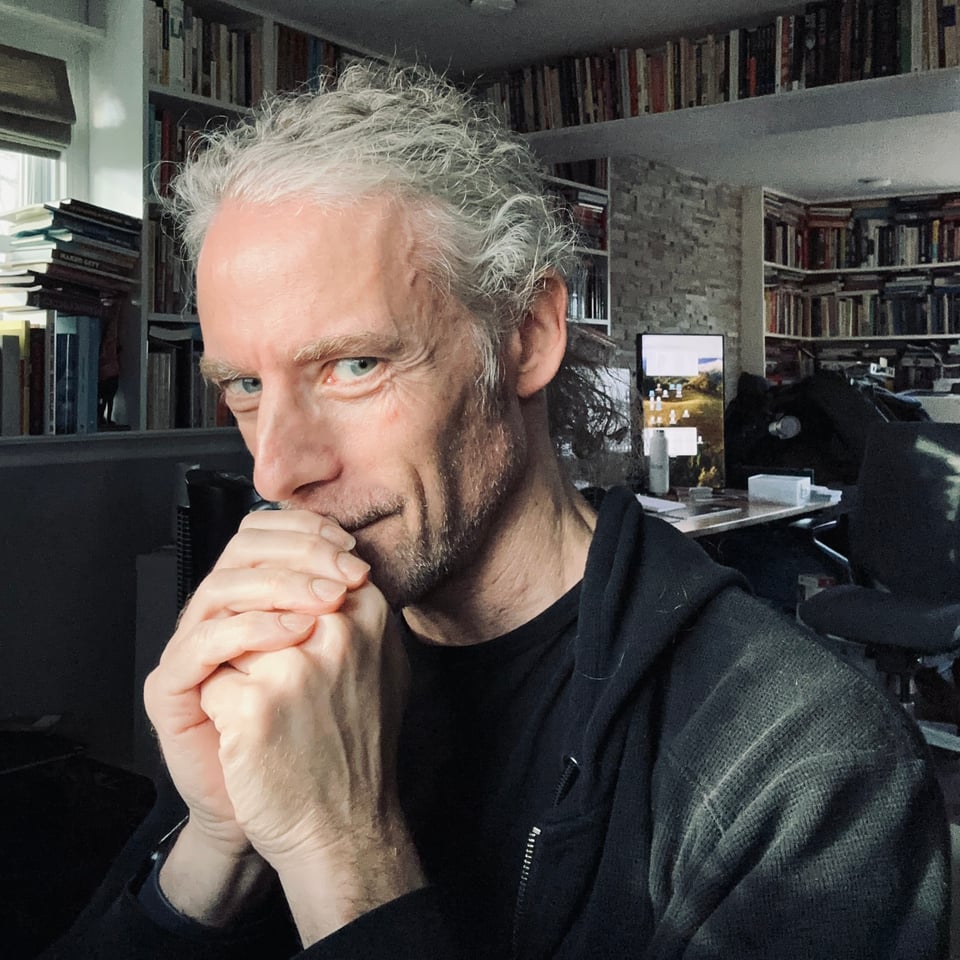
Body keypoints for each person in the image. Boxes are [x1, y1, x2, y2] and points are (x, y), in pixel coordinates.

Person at [42, 61, 948, 959]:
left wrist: (343, 853)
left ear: (526, 338)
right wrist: (213, 846)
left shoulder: (808, 767)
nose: (277, 471)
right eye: (244, 384)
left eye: (353, 365)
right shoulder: (285, 671)